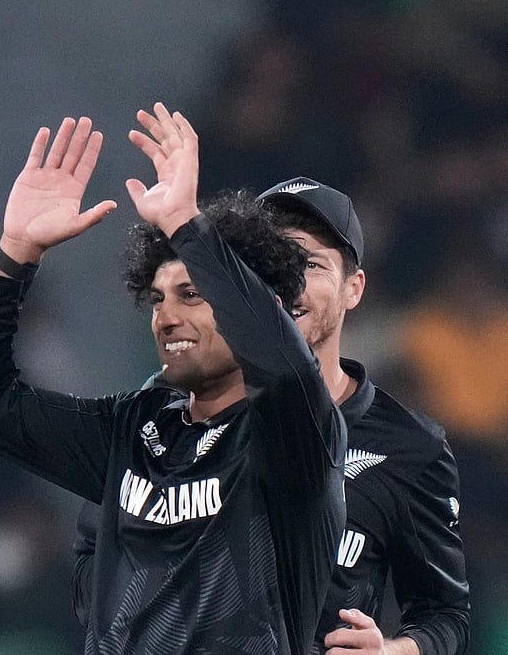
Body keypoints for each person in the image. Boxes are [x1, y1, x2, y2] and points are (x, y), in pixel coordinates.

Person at [0, 106, 346, 654]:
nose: (166, 317)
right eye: (157, 300)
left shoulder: (293, 431)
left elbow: (284, 367)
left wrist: (185, 225)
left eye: (192, 295)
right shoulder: (132, 428)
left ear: (261, 306)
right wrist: (15, 256)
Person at [71, 177, 471, 654]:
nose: (288, 281)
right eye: (266, 265)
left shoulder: (409, 446)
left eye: (310, 263)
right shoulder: (170, 415)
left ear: (354, 288)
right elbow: (95, 558)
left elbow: (445, 613)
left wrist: (393, 651)